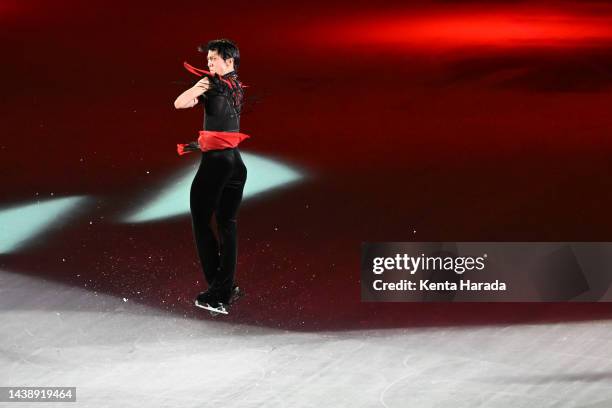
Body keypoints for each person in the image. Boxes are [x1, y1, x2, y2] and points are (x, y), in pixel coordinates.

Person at [174, 39, 248, 315]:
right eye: (208, 61)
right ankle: (227, 288)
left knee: (201, 221)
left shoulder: (211, 83)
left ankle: (218, 294)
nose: (209, 64)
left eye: (214, 59)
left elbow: (179, 103)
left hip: (217, 164)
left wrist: (199, 86)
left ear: (229, 62)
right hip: (236, 164)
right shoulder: (236, 86)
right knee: (227, 224)